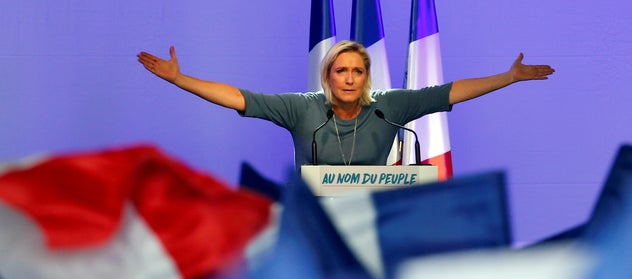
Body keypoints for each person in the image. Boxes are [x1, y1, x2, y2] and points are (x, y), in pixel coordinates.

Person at [137, 40, 554, 169]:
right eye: (341, 71)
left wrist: (508, 77)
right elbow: (239, 99)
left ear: (365, 77)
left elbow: (449, 92)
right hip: (316, 227)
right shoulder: (303, 109)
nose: (350, 79)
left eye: (357, 71)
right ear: (328, 77)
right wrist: (179, 79)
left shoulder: (391, 107)